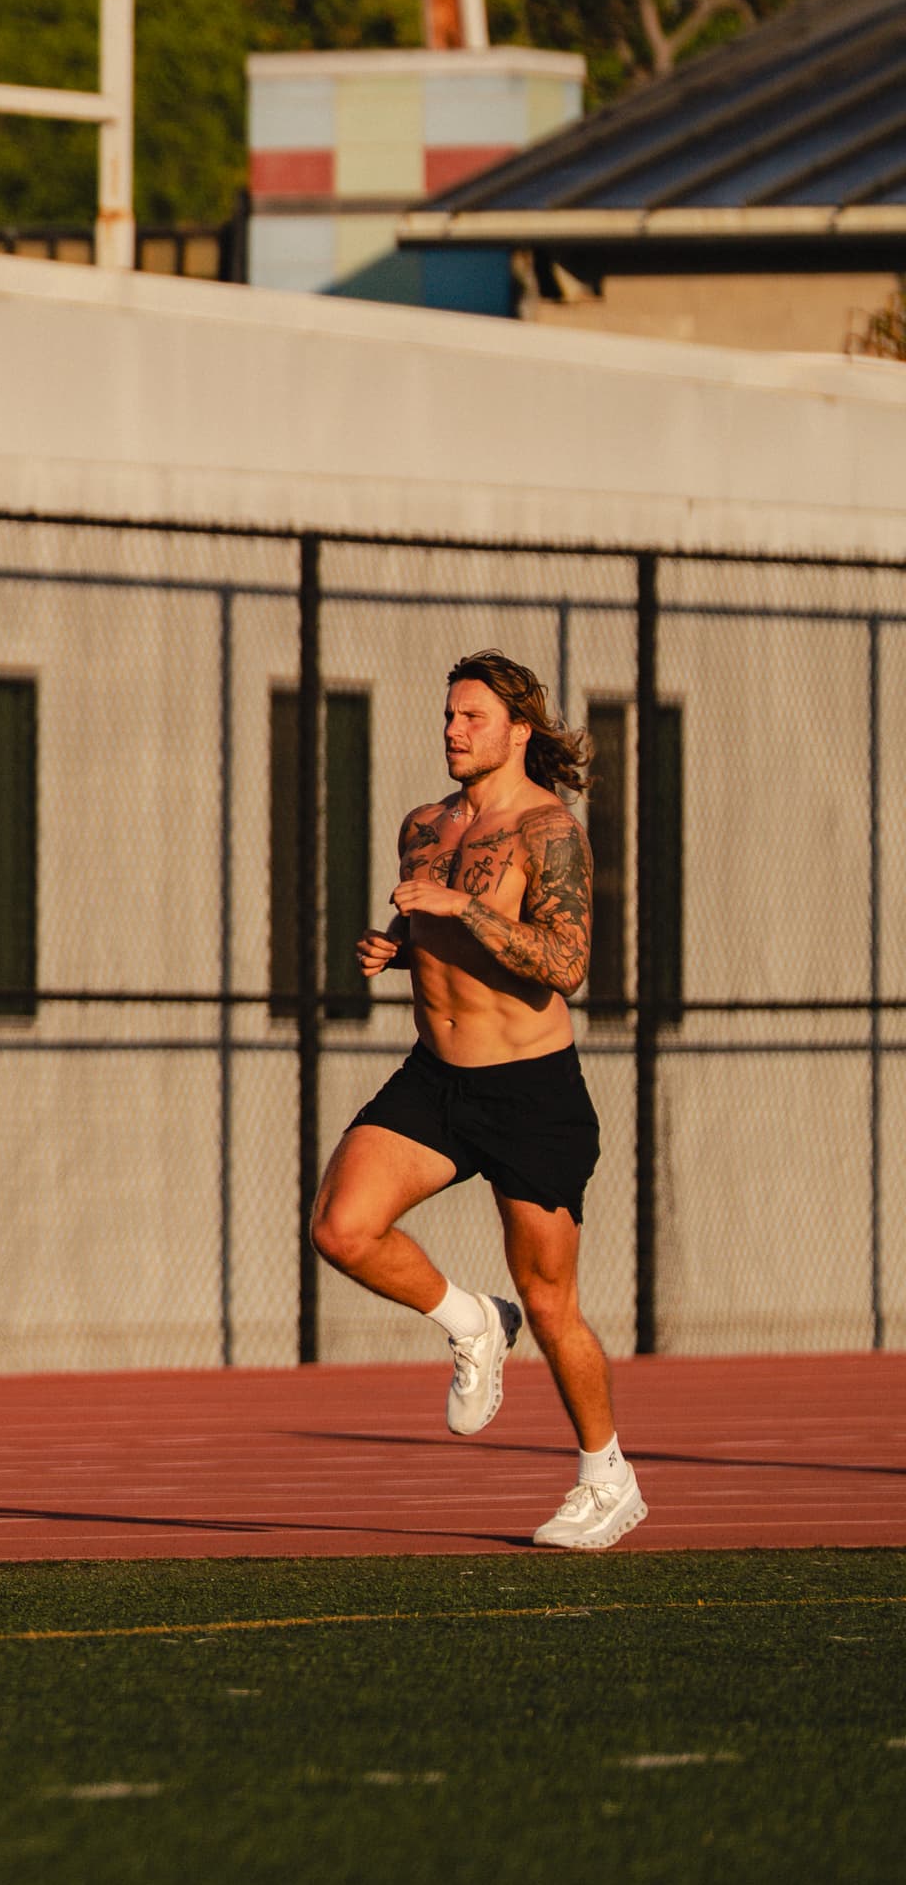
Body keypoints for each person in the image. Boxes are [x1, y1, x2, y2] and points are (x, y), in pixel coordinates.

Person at [314, 651, 640, 1552]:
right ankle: (470, 1321)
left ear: (517, 730)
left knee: (553, 1302)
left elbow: (565, 964)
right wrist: (393, 945)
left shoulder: (551, 832)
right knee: (341, 1227)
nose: (452, 730)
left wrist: (457, 910)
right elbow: (427, 925)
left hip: (533, 1093)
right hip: (436, 1077)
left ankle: (606, 1475)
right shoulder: (423, 825)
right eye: (449, 715)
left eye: (472, 717)